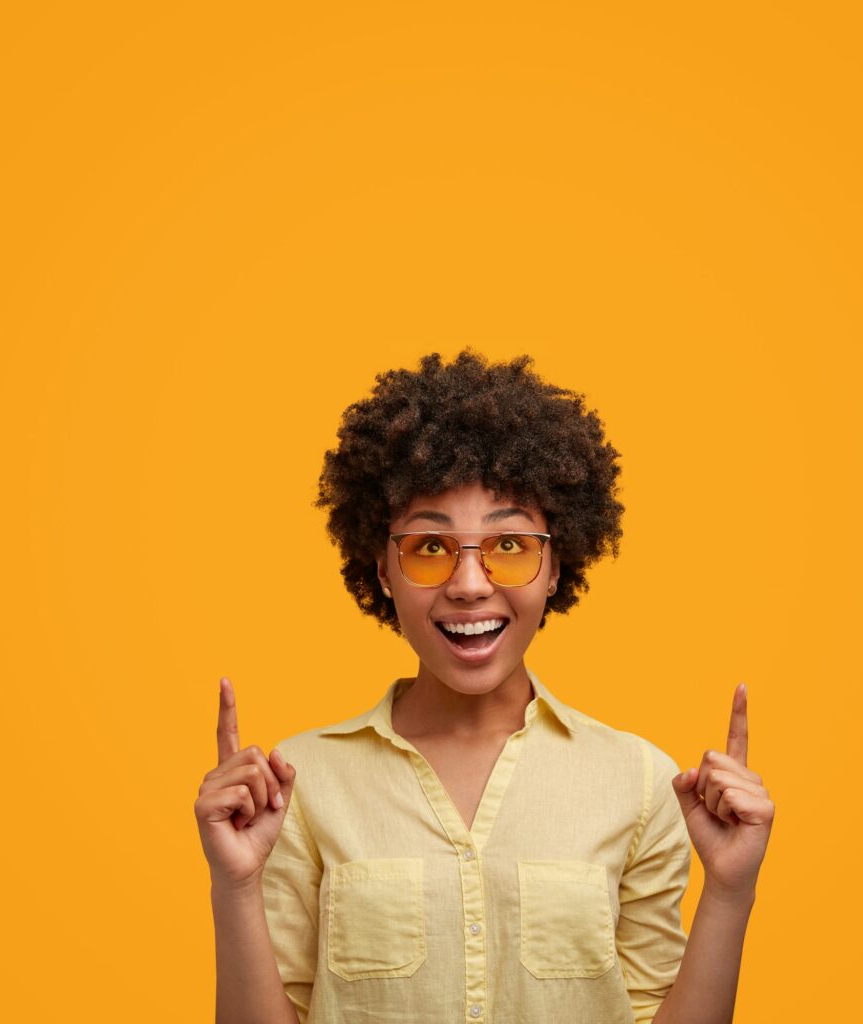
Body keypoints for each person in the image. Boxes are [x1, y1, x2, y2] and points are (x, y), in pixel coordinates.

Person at [194, 350, 775, 1024]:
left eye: (509, 547)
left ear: (556, 565)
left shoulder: (641, 785)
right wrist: (234, 887)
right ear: (383, 570)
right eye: (430, 548)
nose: (470, 584)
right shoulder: (299, 784)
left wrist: (730, 892)